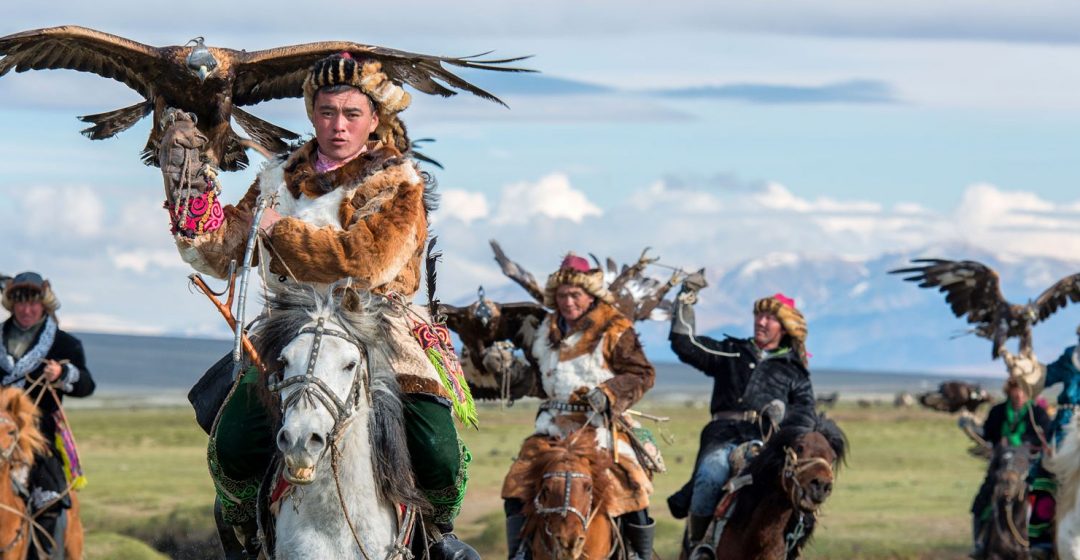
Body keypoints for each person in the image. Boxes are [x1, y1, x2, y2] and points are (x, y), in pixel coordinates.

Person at [158, 53, 477, 559]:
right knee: (235, 440)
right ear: (312, 114)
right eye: (327, 112)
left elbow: (366, 261)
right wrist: (194, 211)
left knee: (435, 445)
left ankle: (438, 534)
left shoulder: (398, 184)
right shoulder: (276, 178)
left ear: (374, 119)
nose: (339, 125)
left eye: (352, 114)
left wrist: (278, 231)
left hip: (378, 321)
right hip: (290, 321)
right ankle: (247, 532)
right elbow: (226, 253)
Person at [501, 254, 657, 560]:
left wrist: (609, 392)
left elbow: (643, 373)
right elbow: (536, 379)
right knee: (516, 483)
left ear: (590, 295)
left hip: (600, 428)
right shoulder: (545, 329)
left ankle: (640, 555)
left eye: (575, 295)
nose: (568, 302)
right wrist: (507, 369)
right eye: (561, 295)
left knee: (632, 484)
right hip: (551, 429)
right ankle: (519, 551)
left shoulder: (615, 327)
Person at [666, 271, 815, 559]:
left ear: (784, 326)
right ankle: (699, 546)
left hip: (768, 444)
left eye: (769, 318)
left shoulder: (794, 371)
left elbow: (805, 416)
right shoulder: (732, 352)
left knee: (795, 492)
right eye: (758, 316)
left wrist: (782, 420)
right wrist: (686, 299)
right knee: (711, 474)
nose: (760, 321)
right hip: (723, 436)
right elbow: (686, 345)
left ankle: (788, 549)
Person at [1, 272, 95, 558]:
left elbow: (86, 385)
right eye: (20, 304)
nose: (27, 310)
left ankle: (41, 553)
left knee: (49, 500)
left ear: (44, 304)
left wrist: (62, 373)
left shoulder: (65, 345)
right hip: (0, 434)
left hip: (39, 439)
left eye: (33, 304)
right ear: (12, 304)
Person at [1000, 333, 1080, 559]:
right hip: (1066, 431)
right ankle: (1042, 541)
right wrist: (1026, 371)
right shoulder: (1071, 357)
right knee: (1044, 477)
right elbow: (1045, 377)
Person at [968, 376, 1050, 559]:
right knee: (982, 502)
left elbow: (1045, 437)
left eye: (1023, 391)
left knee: (1043, 502)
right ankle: (980, 542)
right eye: (1016, 390)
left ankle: (1042, 544)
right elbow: (988, 434)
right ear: (1010, 391)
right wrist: (996, 442)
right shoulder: (998, 412)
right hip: (1000, 467)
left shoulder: (1038, 413)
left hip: (1029, 468)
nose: (1019, 394)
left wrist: (1023, 443)